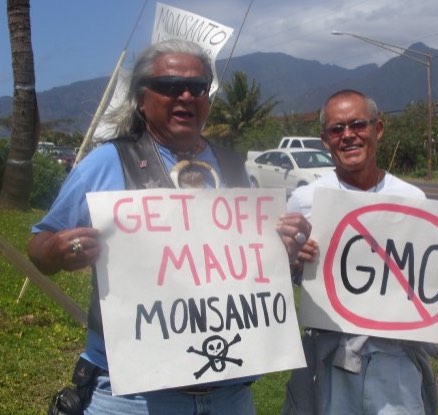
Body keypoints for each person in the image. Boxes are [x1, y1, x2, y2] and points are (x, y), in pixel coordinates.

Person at [28, 39, 311, 415]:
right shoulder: (108, 162)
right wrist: (60, 250)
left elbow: (247, 258)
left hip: (229, 395)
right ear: (142, 99)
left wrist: (282, 245)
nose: (185, 96)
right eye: (169, 86)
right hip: (131, 395)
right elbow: (39, 244)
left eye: (197, 87)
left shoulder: (231, 165)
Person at [282, 89, 438, 415]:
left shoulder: (411, 196)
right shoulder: (306, 199)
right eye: (336, 129)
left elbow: (432, 274)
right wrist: (293, 261)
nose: (348, 136)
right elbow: (290, 278)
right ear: (325, 140)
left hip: (396, 359)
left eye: (357, 124)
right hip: (329, 355)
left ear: (378, 129)